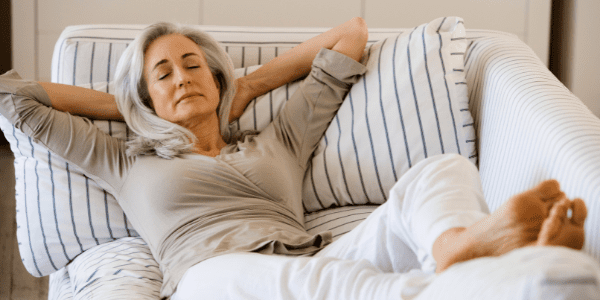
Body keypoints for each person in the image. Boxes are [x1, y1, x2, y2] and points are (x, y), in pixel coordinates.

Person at [0, 17, 591, 299]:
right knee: (333, 285)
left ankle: (452, 251)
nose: (182, 77)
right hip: (212, 278)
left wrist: (247, 88)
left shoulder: (276, 141)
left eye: (193, 66)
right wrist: (132, 110)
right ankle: (512, 282)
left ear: (217, 75)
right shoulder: (128, 161)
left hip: (312, 255)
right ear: (144, 94)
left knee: (440, 170)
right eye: (163, 73)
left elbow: (349, 39)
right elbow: (14, 97)